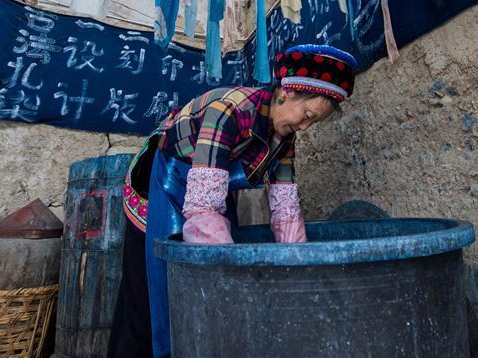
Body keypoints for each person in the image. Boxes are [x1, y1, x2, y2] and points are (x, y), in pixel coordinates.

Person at [107, 44, 357, 357]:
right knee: (151, 298)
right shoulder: (229, 111)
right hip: (163, 186)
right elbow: (204, 211)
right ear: (286, 92)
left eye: (313, 122)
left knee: (211, 303)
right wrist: (231, 279)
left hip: (211, 191)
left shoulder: (284, 136)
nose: (304, 127)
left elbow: (285, 209)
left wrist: (296, 270)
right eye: (306, 115)